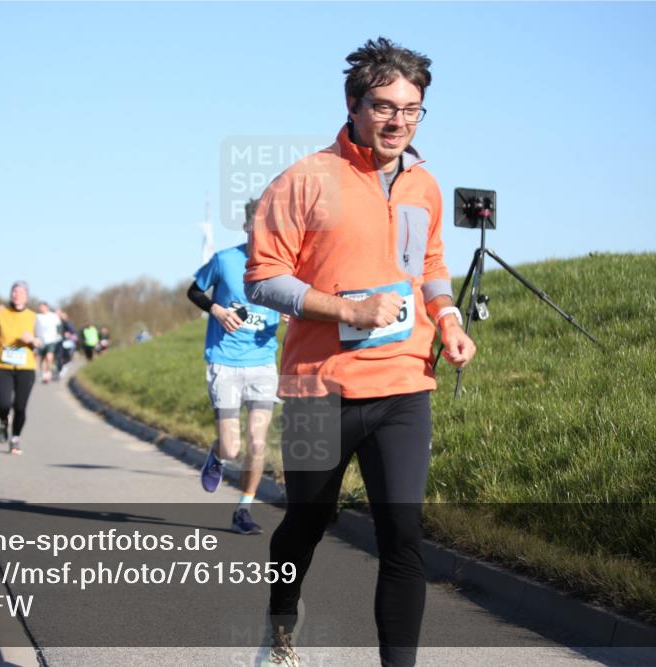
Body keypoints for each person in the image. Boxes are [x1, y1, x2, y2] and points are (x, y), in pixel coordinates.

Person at [244, 38, 476, 666]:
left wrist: (447, 317)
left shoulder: (423, 184)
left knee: (402, 535)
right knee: (306, 522)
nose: (398, 120)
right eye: (384, 106)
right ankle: (282, 627)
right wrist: (347, 309)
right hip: (320, 388)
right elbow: (263, 277)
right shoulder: (306, 179)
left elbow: (428, 265)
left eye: (412, 108)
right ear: (353, 104)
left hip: (403, 382)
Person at [188, 198, 281, 535]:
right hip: (224, 362)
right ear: (246, 226)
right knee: (233, 447)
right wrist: (215, 309)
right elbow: (194, 290)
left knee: (258, 441)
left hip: (262, 363)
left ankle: (244, 509)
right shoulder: (225, 260)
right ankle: (217, 454)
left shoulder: (283, 265)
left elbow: (296, 300)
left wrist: (289, 312)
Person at [0, 281, 40, 455]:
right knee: (3, 404)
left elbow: (42, 341)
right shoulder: (0, 313)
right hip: (2, 365)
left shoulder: (33, 317)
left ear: (27, 296)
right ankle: (3, 422)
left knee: (20, 407)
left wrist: (33, 340)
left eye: (21, 292)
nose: (17, 295)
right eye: (14, 291)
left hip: (25, 367)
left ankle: (15, 439)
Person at [34, 302, 61, 383]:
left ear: (47, 307)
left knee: (49, 357)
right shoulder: (37, 316)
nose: (41, 309)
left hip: (51, 340)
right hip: (40, 341)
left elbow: (59, 326)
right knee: (42, 359)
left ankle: (48, 373)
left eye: (43, 307)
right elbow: (33, 327)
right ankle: (44, 375)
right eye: (40, 307)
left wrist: (58, 335)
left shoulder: (53, 316)